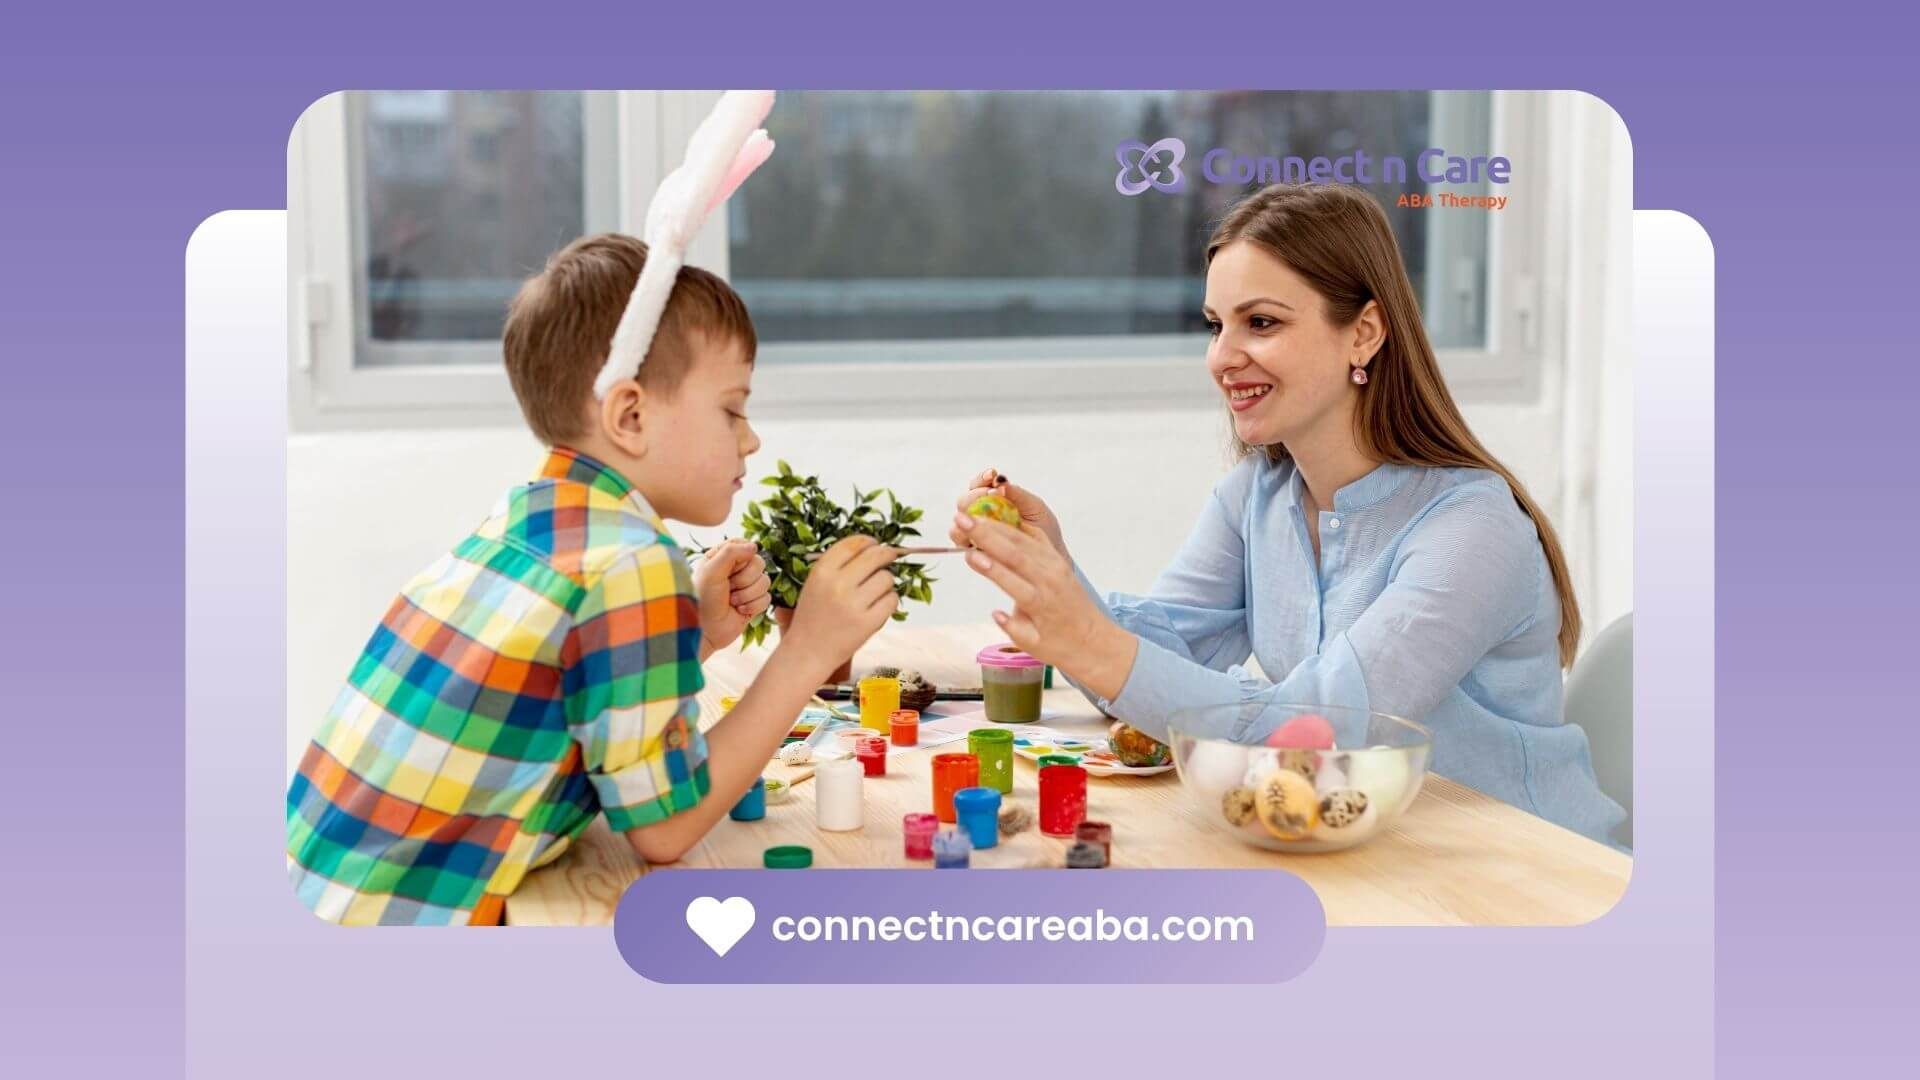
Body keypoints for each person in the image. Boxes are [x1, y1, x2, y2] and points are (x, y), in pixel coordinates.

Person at [950, 183, 1626, 845]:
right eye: (1217, 326)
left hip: (1537, 875)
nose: (1222, 357)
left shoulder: (1472, 530)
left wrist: (1083, 638)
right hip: (1380, 858)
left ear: (1363, 333)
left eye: (1262, 322)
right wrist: (1054, 570)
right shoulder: (1259, 495)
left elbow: (1311, 733)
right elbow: (1156, 678)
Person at [286, 235, 902, 924]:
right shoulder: (632, 561)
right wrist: (807, 651)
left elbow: (566, 708)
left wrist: (688, 635)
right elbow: (664, 829)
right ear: (630, 416)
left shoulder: (525, 520)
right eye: (732, 409)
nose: (750, 438)